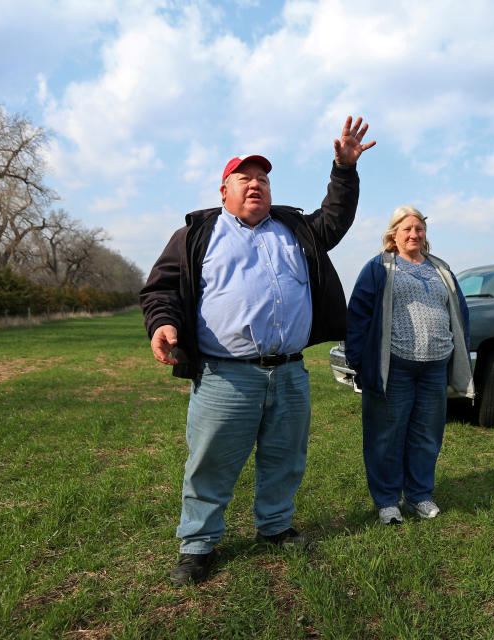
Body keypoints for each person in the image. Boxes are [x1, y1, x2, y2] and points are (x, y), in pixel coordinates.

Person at [140, 116, 375, 587]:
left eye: (263, 179)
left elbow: (335, 216)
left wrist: (344, 170)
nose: (255, 185)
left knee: (285, 456)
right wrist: (164, 324)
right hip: (227, 375)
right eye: (245, 179)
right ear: (223, 190)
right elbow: (161, 289)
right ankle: (198, 545)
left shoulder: (294, 229)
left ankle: (275, 526)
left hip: (289, 372)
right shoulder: (197, 235)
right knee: (210, 460)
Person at [345, 205, 474, 525]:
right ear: (393, 235)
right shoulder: (379, 268)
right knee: (386, 435)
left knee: (427, 435)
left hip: (434, 367)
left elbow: (460, 312)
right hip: (395, 366)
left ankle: (419, 495)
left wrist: (457, 349)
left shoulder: (440, 268)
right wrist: (359, 361)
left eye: (419, 229)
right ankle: (388, 501)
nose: (414, 234)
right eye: (407, 229)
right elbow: (358, 316)